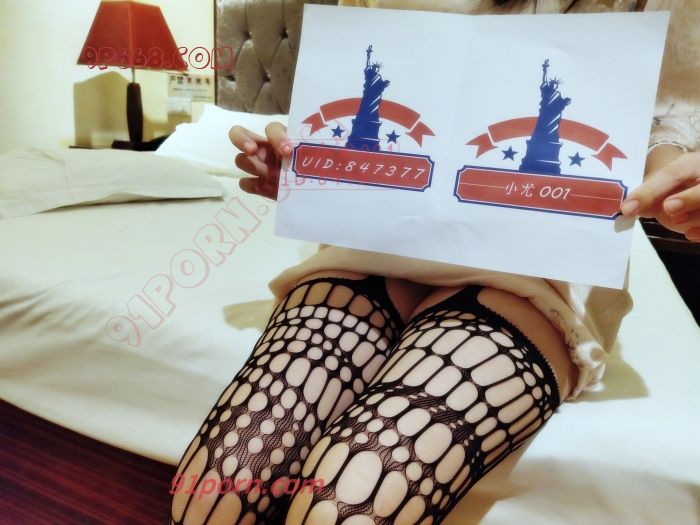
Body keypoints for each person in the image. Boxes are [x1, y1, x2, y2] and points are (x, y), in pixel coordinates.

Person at [169, 1, 700, 524]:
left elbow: (668, 115)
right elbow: (366, 73)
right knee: (216, 492)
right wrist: (308, 170)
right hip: (378, 232)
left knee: (344, 505)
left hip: (543, 255)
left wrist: (670, 180)